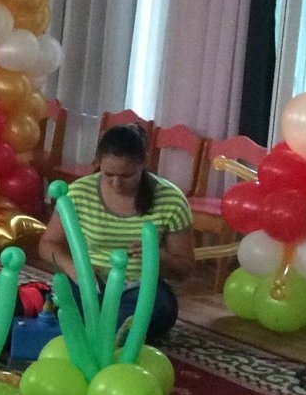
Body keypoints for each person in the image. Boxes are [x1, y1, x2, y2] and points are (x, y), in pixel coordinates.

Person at [37, 123, 196, 345]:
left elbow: (184, 269)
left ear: (143, 164)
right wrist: (75, 269)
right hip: (91, 282)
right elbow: (48, 244)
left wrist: (157, 256)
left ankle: (106, 336)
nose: (117, 183)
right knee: (65, 305)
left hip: (140, 286)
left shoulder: (171, 199)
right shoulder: (79, 193)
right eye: (108, 174)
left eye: (127, 175)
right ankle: (107, 334)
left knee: (153, 309)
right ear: (98, 164)